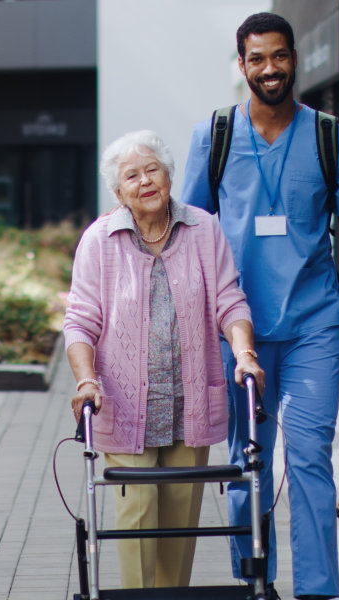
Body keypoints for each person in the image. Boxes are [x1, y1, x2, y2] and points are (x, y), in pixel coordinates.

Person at [177, 13, 339, 600]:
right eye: (256, 59)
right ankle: (255, 582)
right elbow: (189, 233)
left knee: (309, 458)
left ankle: (318, 590)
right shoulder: (214, 136)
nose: (269, 69)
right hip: (237, 329)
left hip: (313, 325)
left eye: (278, 56)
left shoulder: (329, 137)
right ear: (241, 65)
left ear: (295, 58)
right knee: (248, 460)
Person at [64, 130, 268, 590]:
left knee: (180, 525)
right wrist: (85, 380)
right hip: (126, 406)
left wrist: (244, 354)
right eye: (131, 176)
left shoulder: (202, 229)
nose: (145, 181)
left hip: (189, 405)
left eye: (152, 169)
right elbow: (79, 322)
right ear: (118, 193)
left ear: (169, 174)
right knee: (136, 520)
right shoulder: (100, 240)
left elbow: (230, 302)